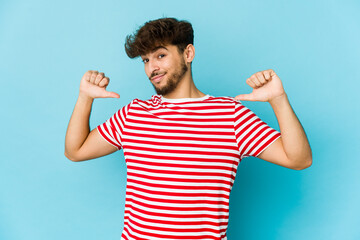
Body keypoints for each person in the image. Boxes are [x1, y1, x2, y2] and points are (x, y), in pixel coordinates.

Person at [65, 17, 312, 240]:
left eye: (160, 55)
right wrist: (85, 98)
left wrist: (278, 99)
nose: (152, 68)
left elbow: (299, 159)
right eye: (146, 60)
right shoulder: (134, 114)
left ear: (188, 53)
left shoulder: (230, 115)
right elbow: (76, 150)